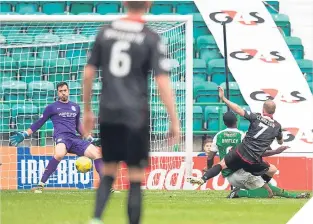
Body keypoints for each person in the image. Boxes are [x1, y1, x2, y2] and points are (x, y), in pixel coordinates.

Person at [82, 1, 180, 224]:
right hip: (136, 114)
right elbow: (162, 80)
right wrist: (173, 119)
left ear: (124, 2)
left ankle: (96, 219)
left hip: (108, 112)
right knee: (135, 176)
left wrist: (87, 110)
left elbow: (88, 73)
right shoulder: (150, 37)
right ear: (149, 3)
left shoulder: (105, 32)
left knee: (108, 170)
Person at [9, 82, 117, 193]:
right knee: (59, 154)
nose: (63, 93)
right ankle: (40, 185)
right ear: (57, 93)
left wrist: (89, 138)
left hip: (74, 139)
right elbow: (39, 123)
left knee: (97, 153)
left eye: (65, 90)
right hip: (61, 138)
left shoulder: (75, 107)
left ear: (68, 91)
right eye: (61, 91)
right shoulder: (51, 108)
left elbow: (78, 125)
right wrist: (25, 134)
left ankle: (106, 187)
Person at [200, 111, 310, 199]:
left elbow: (210, 156)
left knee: (271, 170)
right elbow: (255, 151)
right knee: (269, 192)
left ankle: (254, 187)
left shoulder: (218, 136)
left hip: (228, 173)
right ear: (237, 121)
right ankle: (241, 193)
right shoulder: (242, 135)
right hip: (242, 171)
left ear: (224, 123)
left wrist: (209, 168)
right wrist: (275, 151)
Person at [188, 87, 283, 186]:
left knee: (221, 165)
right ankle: (261, 187)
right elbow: (280, 142)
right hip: (253, 159)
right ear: (274, 111)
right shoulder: (277, 126)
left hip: (240, 151)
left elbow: (238, 109)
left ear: (263, 109)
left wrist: (224, 98)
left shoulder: (256, 117)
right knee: (272, 170)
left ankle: (203, 179)